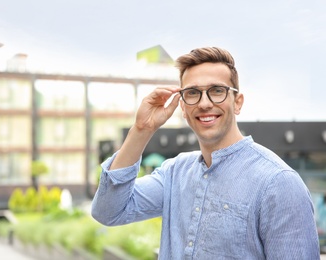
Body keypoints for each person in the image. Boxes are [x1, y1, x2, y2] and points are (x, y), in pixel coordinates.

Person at [91, 47, 320, 259]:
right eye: (192, 93)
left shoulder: (279, 183)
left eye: (217, 91)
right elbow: (108, 211)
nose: (204, 103)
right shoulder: (175, 173)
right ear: (182, 106)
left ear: (237, 102)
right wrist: (142, 129)